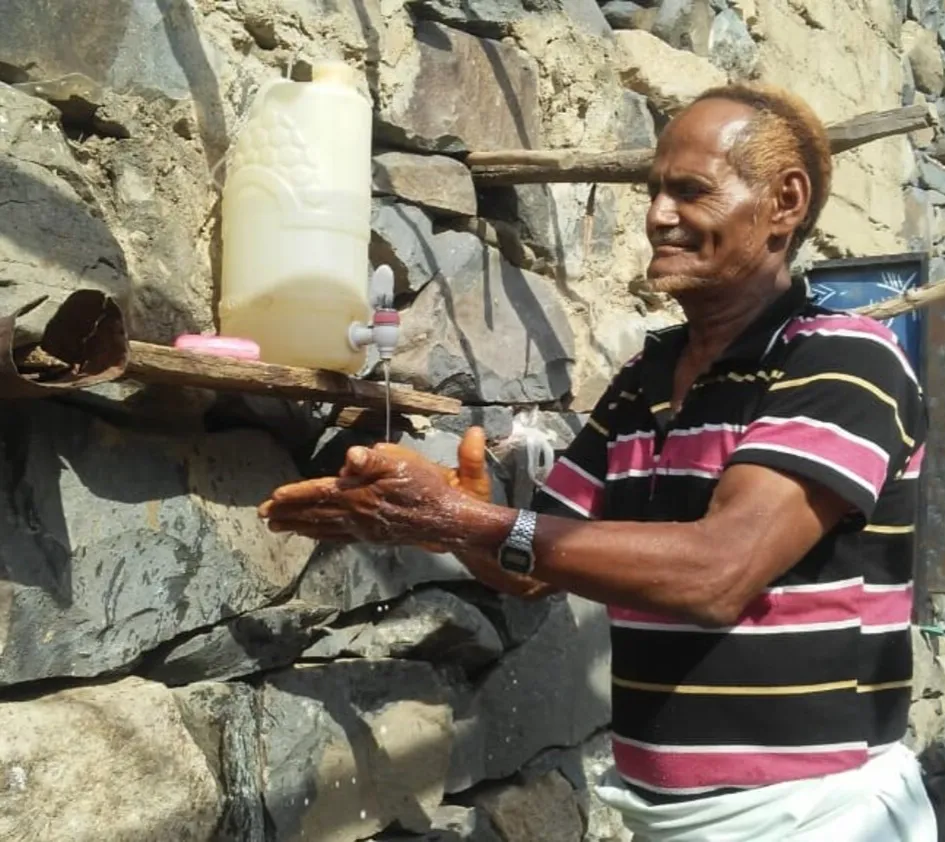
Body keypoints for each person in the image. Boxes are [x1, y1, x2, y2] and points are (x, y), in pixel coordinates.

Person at [258, 83, 935, 841]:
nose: (656, 215)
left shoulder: (839, 357)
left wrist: (468, 517)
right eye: (653, 192)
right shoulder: (645, 379)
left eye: (689, 190)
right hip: (666, 815)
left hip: (817, 815)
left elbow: (718, 573)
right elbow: (534, 566)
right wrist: (449, 526)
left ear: (783, 203)